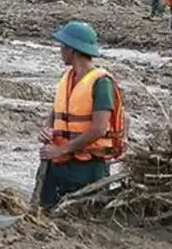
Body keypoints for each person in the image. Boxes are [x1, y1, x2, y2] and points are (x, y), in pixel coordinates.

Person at [37, 21, 126, 210]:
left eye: (63, 46)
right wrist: (47, 129)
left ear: (73, 50)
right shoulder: (68, 79)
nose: (61, 50)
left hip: (88, 167)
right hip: (60, 164)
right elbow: (56, 113)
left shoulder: (101, 83)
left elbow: (99, 128)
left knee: (83, 215)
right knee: (45, 210)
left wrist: (62, 150)